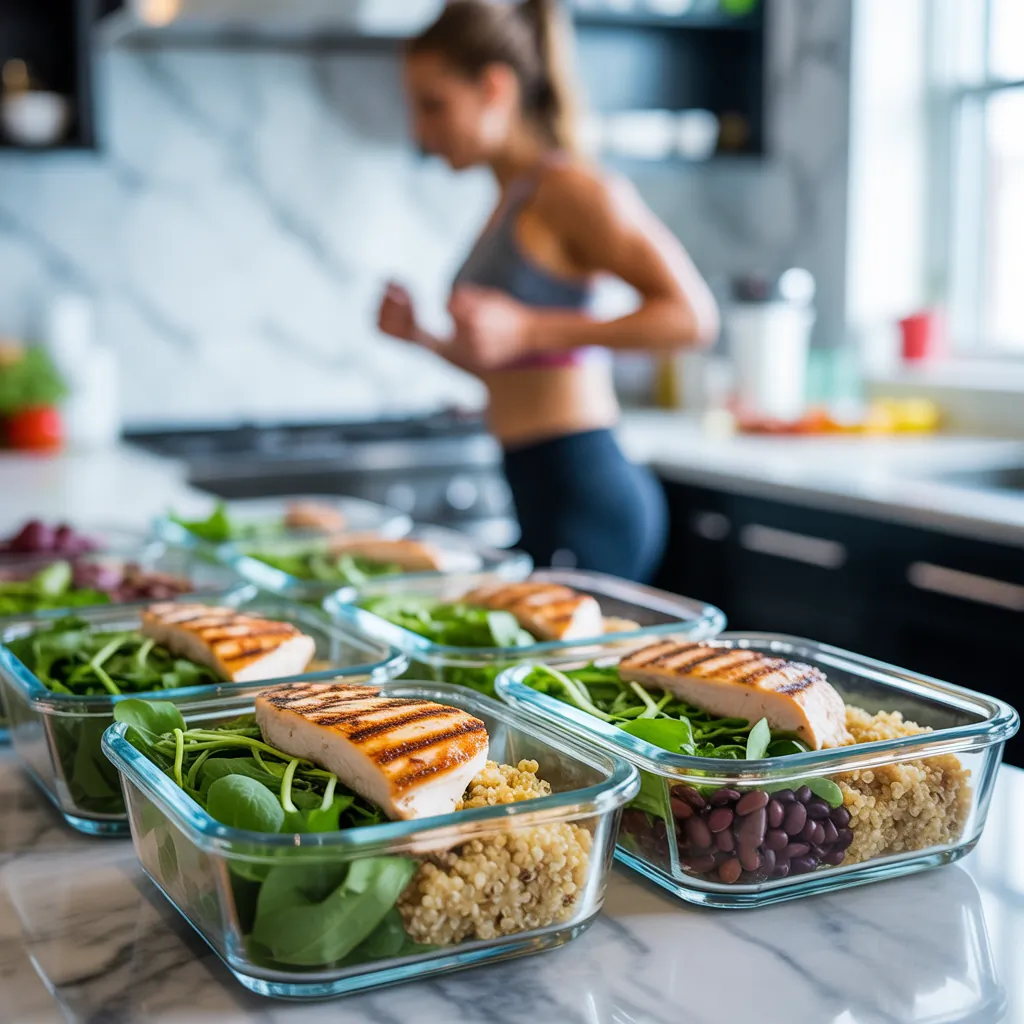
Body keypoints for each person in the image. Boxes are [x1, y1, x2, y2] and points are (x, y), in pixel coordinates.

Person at [378, 0, 718, 583]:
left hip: (585, 487)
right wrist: (423, 339)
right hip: (536, 480)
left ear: (494, 87)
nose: (421, 131)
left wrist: (529, 328)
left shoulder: (572, 189)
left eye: (434, 106)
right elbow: (513, 361)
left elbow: (692, 318)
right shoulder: (511, 197)